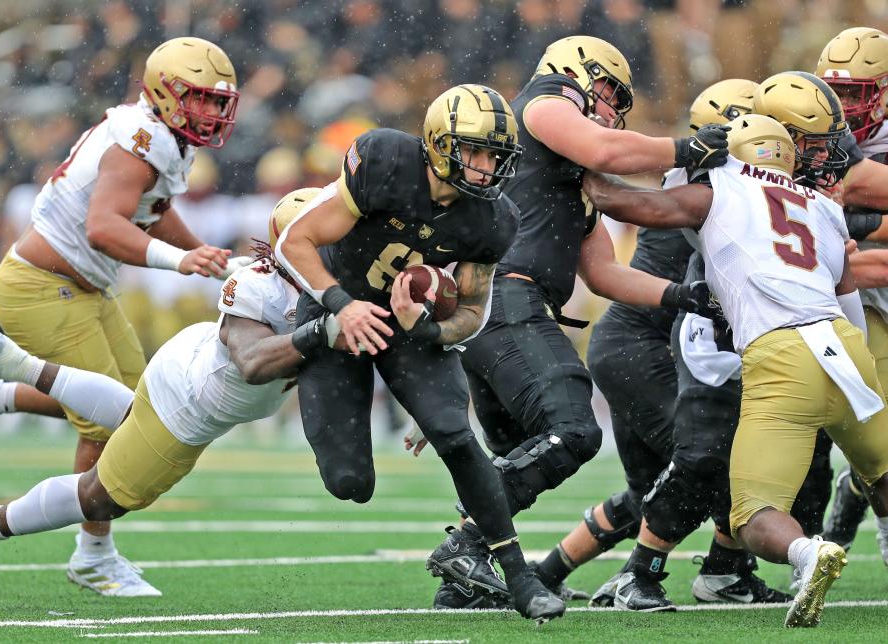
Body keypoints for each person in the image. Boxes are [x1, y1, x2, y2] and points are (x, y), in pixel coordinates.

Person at [417, 36, 731, 608]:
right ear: (576, 72)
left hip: (499, 312)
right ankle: (466, 545)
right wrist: (686, 150)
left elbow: (606, 275)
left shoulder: (565, 180)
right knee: (574, 431)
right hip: (505, 300)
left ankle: (464, 584)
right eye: (610, 91)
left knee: (525, 451)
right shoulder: (543, 101)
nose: (612, 107)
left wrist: (684, 296)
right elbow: (607, 148)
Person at [0, 189, 344, 603]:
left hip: (187, 363)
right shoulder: (265, 289)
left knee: (133, 415)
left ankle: (18, 370)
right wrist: (320, 333)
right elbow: (254, 362)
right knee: (103, 498)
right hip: (194, 405)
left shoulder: (304, 284)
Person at [0, 37, 245, 597]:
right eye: (198, 98)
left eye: (215, 101)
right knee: (107, 424)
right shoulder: (140, 139)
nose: (209, 112)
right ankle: (93, 555)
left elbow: (151, 209)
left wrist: (202, 252)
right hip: (42, 285)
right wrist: (181, 261)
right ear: (163, 92)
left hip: (82, 288)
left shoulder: (163, 137)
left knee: (137, 406)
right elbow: (103, 227)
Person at [583, 113, 888, 628]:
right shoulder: (821, 205)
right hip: (845, 347)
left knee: (754, 515)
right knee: (881, 470)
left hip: (782, 356)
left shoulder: (721, 187)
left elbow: (631, 204)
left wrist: (581, 171)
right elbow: (845, 293)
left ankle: (809, 555)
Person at [275, 84, 564, 623]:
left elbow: (472, 313)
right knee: (349, 482)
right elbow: (294, 242)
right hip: (336, 316)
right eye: (474, 151)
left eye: (495, 156)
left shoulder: (492, 218)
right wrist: (341, 306)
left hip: (407, 327)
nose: (485, 167)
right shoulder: (384, 161)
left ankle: (520, 576)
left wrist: (428, 332)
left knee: (454, 430)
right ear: (436, 142)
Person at [524, 78, 789, 611]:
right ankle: (672, 575)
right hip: (648, 342)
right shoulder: (709, 185)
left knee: (657, 486)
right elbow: (626, 201)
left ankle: (550, 570)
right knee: (711, 464)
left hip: (636, 343)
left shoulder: (710, 181)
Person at [815, 27, 888, 562]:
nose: (843, 106)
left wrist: (853, 221)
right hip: (858, 291)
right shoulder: (813, 126)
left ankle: (852, 489)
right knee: (874, 416)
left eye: (856, 92)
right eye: (835, 92)